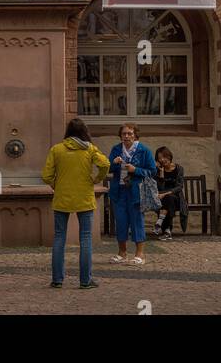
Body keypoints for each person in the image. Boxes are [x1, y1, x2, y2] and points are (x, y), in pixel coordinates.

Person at [42, 117, 110, 290]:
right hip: (84, 198)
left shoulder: (57, 149)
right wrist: (96, 179)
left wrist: (56, 185)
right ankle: (85, 280)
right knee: (85, 238)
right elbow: (105, 164)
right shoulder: (90, 149)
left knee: (59, 238)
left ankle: (57, 279)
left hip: (62, 198)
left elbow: (46, 175)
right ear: (84, 132)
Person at [108, 122, 157, 265]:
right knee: (121, 221)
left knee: (137, 222)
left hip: (137, 192)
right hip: (120, 191)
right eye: (124, 133)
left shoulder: (144, 150)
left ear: (135, 135)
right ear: (120, 136)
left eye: (130, 133)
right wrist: (114, 163)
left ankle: (140, 254)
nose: (127, 136)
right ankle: (122, 253)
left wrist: (135, 170)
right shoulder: (116, 149)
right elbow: (108, 167)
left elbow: (152, 171)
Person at [153, 146, 187, 239]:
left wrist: (166, 193)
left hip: (176, 198)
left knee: (170, 198)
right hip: (163, 198)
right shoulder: (158, 170)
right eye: (159, 158)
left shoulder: (179, 168)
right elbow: (159, 187)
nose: (162, 160)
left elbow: (179, 187)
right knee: (168, 199)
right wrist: (161, 174)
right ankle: (167, 231)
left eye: (164, 156)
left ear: (169, 156)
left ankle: (160, 222)